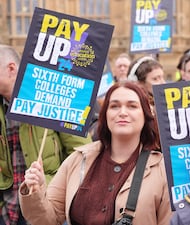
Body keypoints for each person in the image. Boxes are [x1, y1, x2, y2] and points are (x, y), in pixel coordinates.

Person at [19, 81, 172, 225]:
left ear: (145, 116)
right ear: (105, 115)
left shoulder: (162, 170)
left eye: (132, 106)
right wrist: (35, 191)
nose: (122, 112)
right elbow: (47, 220)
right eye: (114, 106)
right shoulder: (78, 159)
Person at [0, 45, 92, 225]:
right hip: (7, 211)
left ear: (11, 69)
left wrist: (58, 195)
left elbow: (82, 154)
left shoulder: (53, 96)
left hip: (45, 206)